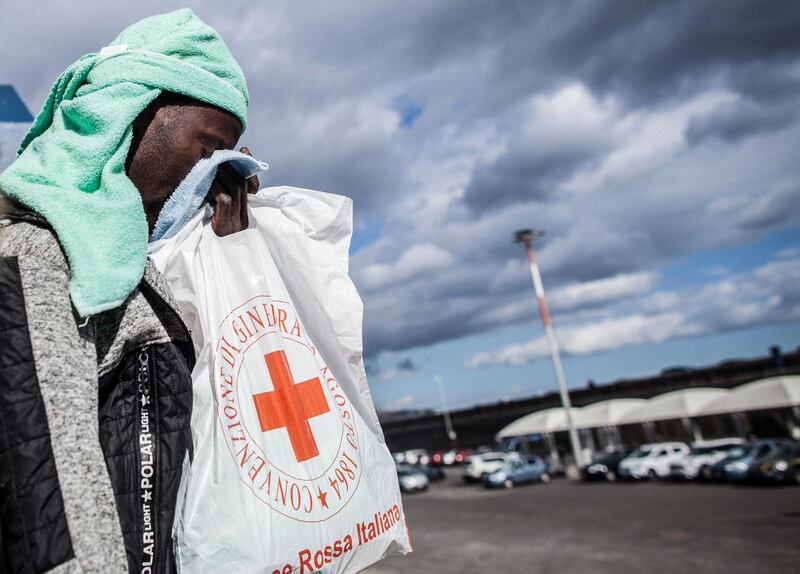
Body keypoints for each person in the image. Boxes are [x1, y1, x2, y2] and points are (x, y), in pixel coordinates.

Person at [0, 10, 258, 573]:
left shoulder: (133, 265)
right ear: (132, 112)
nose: (214, 172)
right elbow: (49, 516)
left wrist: (231, 261)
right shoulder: (36, 255)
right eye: (208, 146)